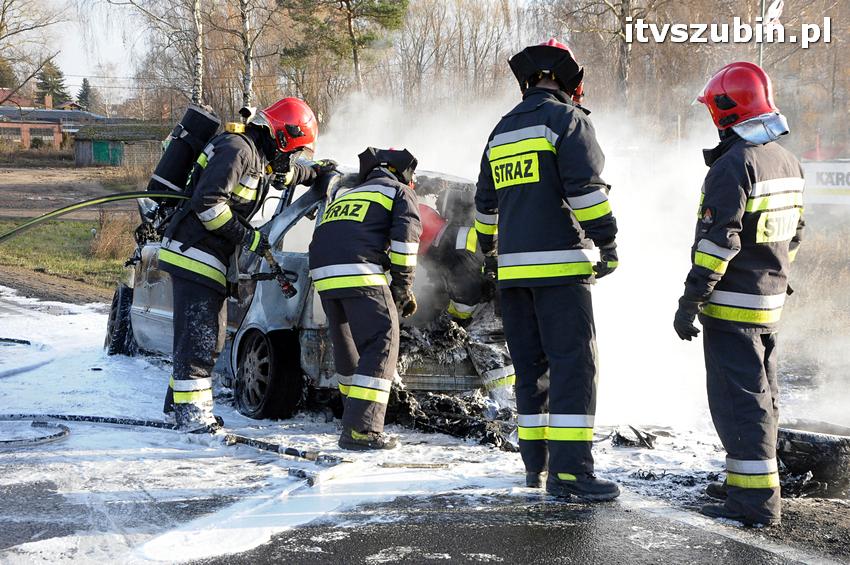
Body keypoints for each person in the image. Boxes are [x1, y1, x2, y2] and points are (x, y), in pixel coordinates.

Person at [474, 39, 620, 499]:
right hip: (560, 270)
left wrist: (489, 252)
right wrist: (608, 242)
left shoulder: (500, 131)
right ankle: (572, 473)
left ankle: (535, 467)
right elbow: (586, 192)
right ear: (568, 80)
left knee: (530, 371)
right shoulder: (567, 120)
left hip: (513, 276)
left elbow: (484, 207)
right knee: (573, 368)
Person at [674, 61, 805, 527]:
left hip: (733, 308)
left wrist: (691, 300)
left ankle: (754, 504)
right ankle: (748, 484)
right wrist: (773, 276)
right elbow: (794, 234)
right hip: (769, 303)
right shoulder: (786, 160)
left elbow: (718, 244)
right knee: (763, 397)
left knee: (739, 402)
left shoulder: (734, 165)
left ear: (726, 110)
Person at [159, 97, 325, 432]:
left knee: (203, 339)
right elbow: (208, 205)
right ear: (282, 138)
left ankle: (178, 408)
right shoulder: (238, 151)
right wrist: (249, 238)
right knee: (201, 341)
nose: (292, 158)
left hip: (205, 256)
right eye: (294, 151)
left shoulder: (258, 158)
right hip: (195, 254)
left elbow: (285, 176)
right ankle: (194, 419)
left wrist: (316, 172)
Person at [309, 147, 421, 450]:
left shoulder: (348, 195)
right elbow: (405, 244)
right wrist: (402, 288)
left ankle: (351, 412)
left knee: (346, 343)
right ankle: (362, 429)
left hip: (324, 274)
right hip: (359, 272)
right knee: (382, 340)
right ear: (401, 173)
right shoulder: (399, 192)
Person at [417, 203, 515, 409]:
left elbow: (466, 300)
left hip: (507, 294)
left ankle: (507, 403)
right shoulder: (453, 234)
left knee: (482, 337)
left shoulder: (450, 249)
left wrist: (447, 319)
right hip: (504, 289)